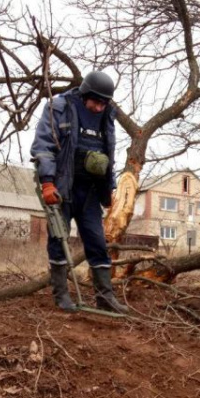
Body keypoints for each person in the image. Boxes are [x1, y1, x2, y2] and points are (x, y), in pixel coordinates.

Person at [31, 70, 128, 313]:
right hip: (63, 187)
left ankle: (104, 296)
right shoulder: (60, 107)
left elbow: (108, 156)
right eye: (95, 101)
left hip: (90, 192)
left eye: (103, 103)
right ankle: (61, 294)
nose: (98, 107)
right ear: (85, 94)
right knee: (58, 239)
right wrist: (47, 182)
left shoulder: (107, 116)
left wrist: (109, 189)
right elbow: (43, 146)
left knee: (97, 242)